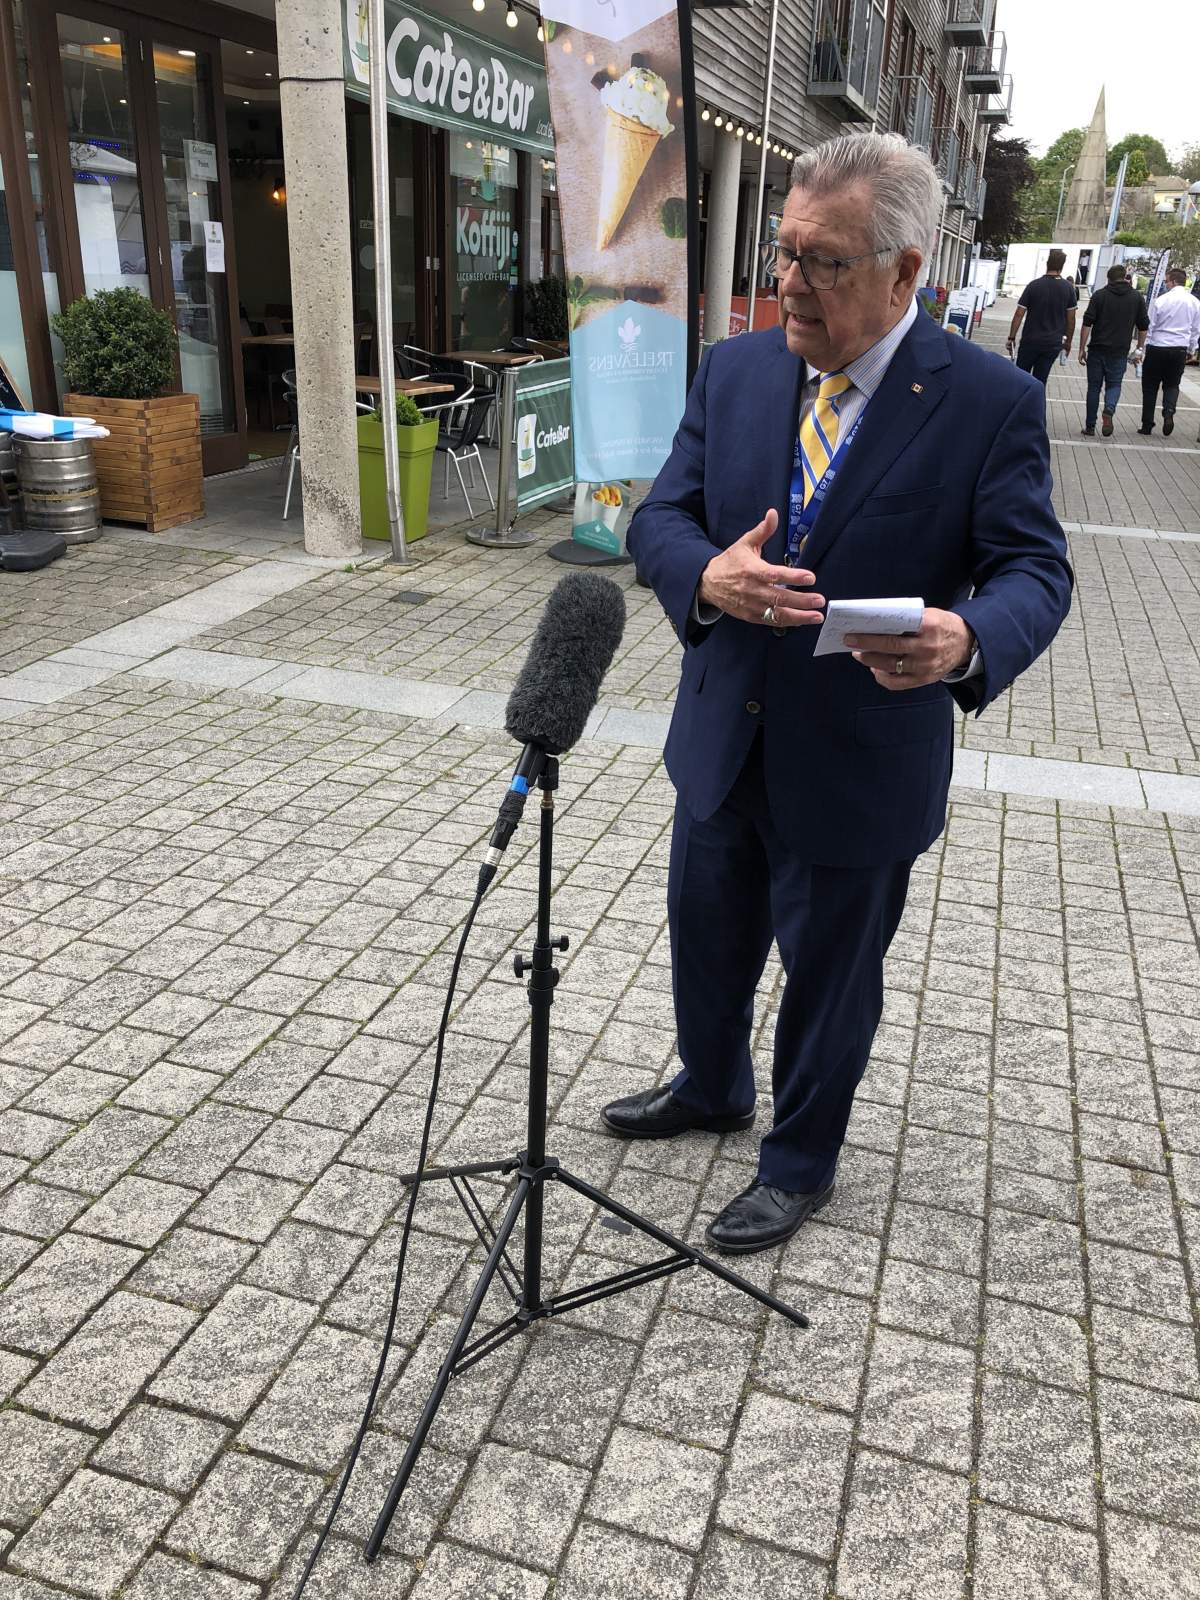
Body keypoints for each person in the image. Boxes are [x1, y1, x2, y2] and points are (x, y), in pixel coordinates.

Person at [604, 132, 1072, 1255]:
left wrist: (968, 639)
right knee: (705, 938)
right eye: (783, 253)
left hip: (863, 760)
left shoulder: (987, 401)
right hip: (725, 735)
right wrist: (705, 574)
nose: (788, 284)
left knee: (829, 978)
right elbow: (660, 516)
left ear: (906, 272)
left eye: (823, 262)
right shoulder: (739, 368)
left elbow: (1035, 569)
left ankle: (799, 1162)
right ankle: (712, 1084)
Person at [1077, 264, 1149, 436]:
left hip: (1097, 349)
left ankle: (1090, 426)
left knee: (1094, 387)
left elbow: (1087, 323)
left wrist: (1081, 348)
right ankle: (1109, 410)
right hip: (1119, 351)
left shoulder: (1099, 295)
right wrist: (1139, 348)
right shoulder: (1136, 298)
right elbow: (1144, 326)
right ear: (1125, 277)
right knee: (1115, 384)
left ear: (1108, 279)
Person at [1139, 267, 1200, 435]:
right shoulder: (1195, 302)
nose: (1165, 284)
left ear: (1173, 281)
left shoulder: (1161, 300)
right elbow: (1196, 329)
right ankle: (1169, 412)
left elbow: (1150, 326)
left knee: (1150, 386)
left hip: (1157, 347)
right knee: (1172, 384)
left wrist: (1143, 347)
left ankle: (1147, 424)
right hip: (1179, 348)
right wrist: (1192, 348)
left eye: (1166, 281)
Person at [1006, 249, 1077, 383]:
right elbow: (1071, 319)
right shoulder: (1068, 288)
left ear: (1047, 264)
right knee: (1040, 381)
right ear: (1062, 266)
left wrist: (1012, 337)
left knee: (1020, 380)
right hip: (1052, 344)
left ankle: (1019, 402)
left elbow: (1019, 314)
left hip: (1030, 341)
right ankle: (1036, 403)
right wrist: (1067, 342)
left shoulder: (1033, 285)